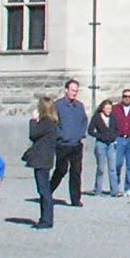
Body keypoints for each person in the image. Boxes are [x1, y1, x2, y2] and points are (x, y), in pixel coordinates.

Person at [24, 95, 60, 230]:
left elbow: (33, 134)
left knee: (44, 190)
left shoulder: (46, 122)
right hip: (46, 158)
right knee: (44, 189)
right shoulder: (52, 122)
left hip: (42, 159)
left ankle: (46, 219)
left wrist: (33, 120)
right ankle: (45, 218)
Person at [51, 78, 89, 206]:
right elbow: (53, 123)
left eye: (76, 91)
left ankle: (75, 199)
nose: (74, 93)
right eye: (72, 90)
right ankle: (48, 191)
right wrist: (60, 135)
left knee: (76, 172)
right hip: (62, 144)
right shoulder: (58, 105)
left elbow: (84, 121)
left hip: (76, 144)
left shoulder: (79, 106)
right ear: (66, 90)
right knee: (61, 170)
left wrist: (80, 134)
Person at [90, 98, 120, 197]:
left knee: (112, 168)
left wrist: (114, 136)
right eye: (107, 108)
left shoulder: (113, 117)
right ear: (102, 108)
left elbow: (117, 129)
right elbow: (90, 130)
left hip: (111, 144)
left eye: (110, 109)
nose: (108, 111)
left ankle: (114, 190)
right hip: (101, 144)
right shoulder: (96, 117)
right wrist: (100, 136)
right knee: (101, 168)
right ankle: (98, 189)